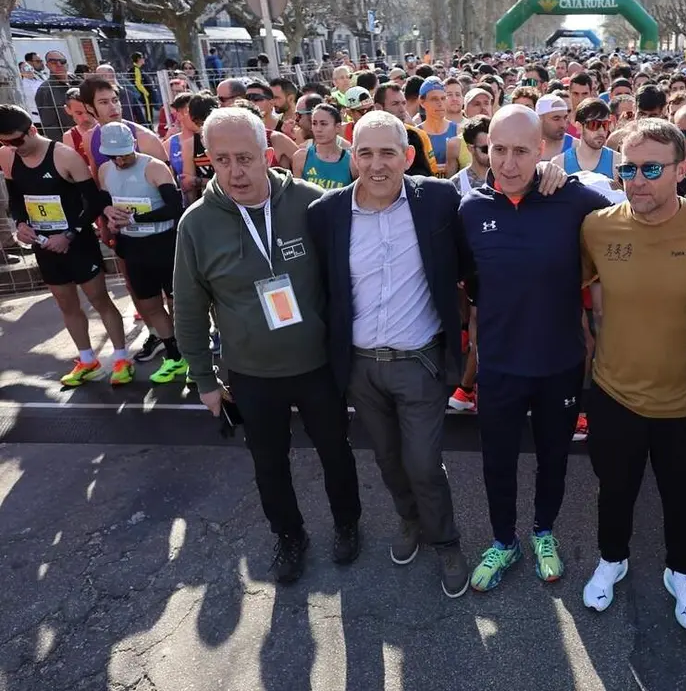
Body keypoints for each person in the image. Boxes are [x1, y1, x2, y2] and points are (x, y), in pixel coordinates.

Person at [173, 107, 362, 583]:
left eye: (244, 158)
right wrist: (204, 380)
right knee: (269, 464)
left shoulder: (312, 203)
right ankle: (289, 536)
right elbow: (190, 310)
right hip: (251, 373)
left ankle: (347, 523)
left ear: (268, 154)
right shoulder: (196, 225)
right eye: (220, 161)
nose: (234, 172)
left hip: (316, 363)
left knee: (335, 450)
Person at [580, 117, 686, 631]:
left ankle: (682, 572)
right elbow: (578, 288)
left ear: (683, 167)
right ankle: (612, 559)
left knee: (681, 496)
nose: (637, 179)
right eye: (628, 167)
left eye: (651, 168)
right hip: (612, 392)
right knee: (616, 488)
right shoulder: (598, 226)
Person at [306, 111, 471, 598]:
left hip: (418, 361)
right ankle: (408, 521)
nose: (377, 164)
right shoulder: (326, 213)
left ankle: (445, 540)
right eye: (366, 153)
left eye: (387, 153)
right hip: (359, 365)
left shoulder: (439, 199)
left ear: (408, 156)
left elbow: (465, 263)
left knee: (423, 462)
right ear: (352, 156)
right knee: (387, 459)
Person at [460, 105, 607, 592]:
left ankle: (544, 532)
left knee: (554, 457)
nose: (507, 162)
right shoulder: (472, 209)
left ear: (542, 150)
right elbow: (467, 283)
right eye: (497, 150)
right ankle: (504, 541)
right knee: (497, 461)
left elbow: (633, 211)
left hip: (559, 364)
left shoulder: (574, 201)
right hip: (499, 365)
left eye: (521, 151)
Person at [0, 104, 132, 386]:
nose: (13, 147)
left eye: (17, 140)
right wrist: (20, 224)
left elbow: (93, 201)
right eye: (4, 142)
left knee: (99, 300)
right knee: (66, 304)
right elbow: (15, 201)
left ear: (32, 130)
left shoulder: (64, 156)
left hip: (77, 242)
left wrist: (70, 234)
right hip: (45, 244)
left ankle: (121, 358)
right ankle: (87, 360)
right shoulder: (8, 157)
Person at [96, 122, 187, 384]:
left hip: (164, 244)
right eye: (114, 156)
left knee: (177, 302)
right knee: (149, 304)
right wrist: (108, 212)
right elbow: (102, 199)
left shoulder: (154, 167)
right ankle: (173, 354)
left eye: (124, 153)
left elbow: (174, 208)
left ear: (133, 145)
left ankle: (192, 353)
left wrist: (136, 219)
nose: (120, 160)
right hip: (133, 247)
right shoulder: (105, 170)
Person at [292, 104, 355, 190]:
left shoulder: (352, 162)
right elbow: (296, 194)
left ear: (337, 127)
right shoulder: (301, 158)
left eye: (323, 124)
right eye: (314, 123)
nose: (318, 129)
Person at [551, 98, 617, 178]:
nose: (601, 131)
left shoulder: (617, 162)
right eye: (594, 124)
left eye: (605, 124)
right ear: (579, 127)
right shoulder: (559, 164)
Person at [417, 77, 461, 177]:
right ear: (422, 102)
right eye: (434, 99)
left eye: (443, 98)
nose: (440, 103)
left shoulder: (457, 130)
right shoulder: (417, 134)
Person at [35, 50, 79, 141]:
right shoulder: (45, 90)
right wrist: (63, 146)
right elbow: (50, 126)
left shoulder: (79, 82)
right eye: (53, 62)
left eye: (62, 61)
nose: (59, 64)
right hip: (70, 140)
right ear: (47, 65)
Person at [451, 115, 491, 196]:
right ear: (471, 148)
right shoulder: (456, 184)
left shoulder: (506, 178)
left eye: (497, 148)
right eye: (486, 149)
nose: (491, 153)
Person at [537, 94, 574, 159]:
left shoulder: (576, 147)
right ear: (540, 119)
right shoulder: (525, 147)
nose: (563, 125)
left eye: (565, 118)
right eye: (556, 119)